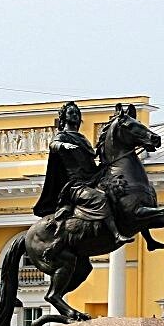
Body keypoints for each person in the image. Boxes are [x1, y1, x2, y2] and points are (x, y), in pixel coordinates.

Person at [32, 101, 132, 246]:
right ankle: (116, 235)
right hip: (76, 186)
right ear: (64, 118)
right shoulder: (63, 136)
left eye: (77, 113)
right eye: (71, 113)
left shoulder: (82, 138)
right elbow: (53, 145)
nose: (75, 116)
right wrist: (63, 145)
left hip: (91, 178)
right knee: (101, 198)